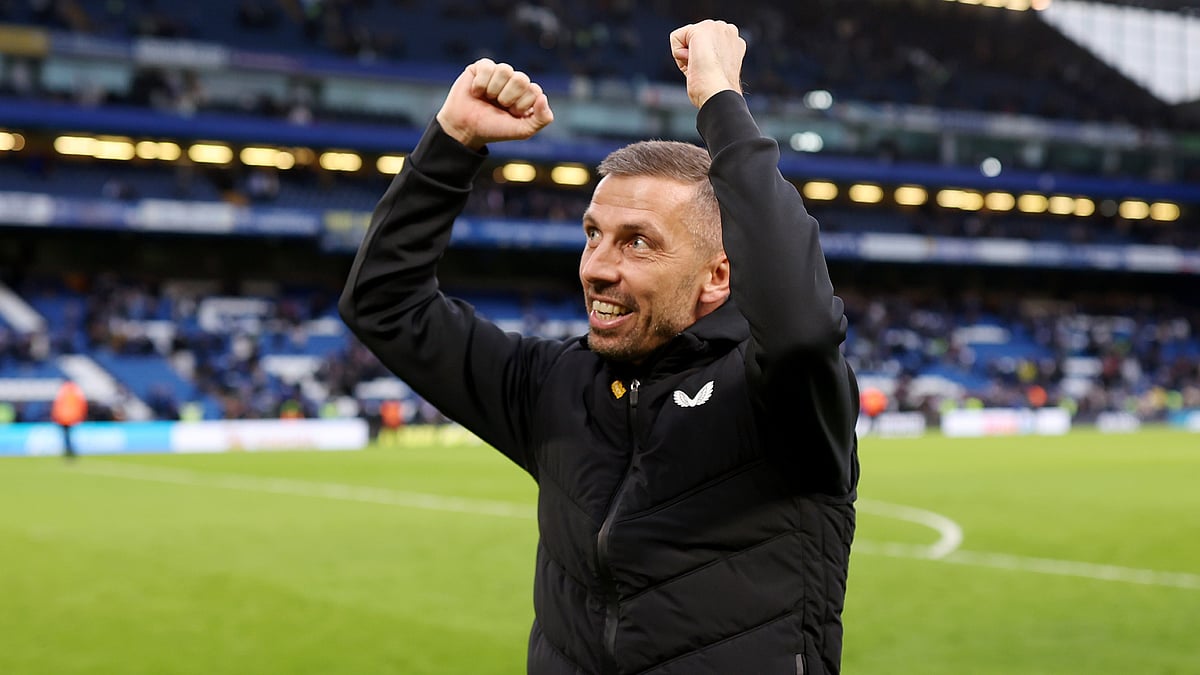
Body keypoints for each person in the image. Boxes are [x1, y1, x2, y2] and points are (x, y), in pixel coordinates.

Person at [339, 20, 860, 675]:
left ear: (719, 275)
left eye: (636, 241)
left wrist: (721, 99)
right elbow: (383, 302)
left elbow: (802, 327)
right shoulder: (551, 385)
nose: (596, 266)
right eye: (593, 234)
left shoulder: (779, 399)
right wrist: (452, 141)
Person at [51, 380, 88, 460]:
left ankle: (69, 451)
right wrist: (80, 416)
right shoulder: (76, 393)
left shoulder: (62, 393)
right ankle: (70, 451)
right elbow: (82, 405)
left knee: (66, 436)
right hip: (73, 417)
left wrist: (56, 417)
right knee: (69, 436)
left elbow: (57, 406)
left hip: (63, 418)